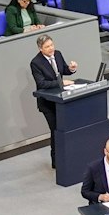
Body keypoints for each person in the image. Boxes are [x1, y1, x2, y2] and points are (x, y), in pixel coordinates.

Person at [29, 34, 80, 166]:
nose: (51, 48)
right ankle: (56, 162)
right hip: (47, 103)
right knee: (56, 130)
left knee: (65, 128)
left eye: (52, 45)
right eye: (47, 47)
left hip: (61, 99)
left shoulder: (57, 54)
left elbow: (63, 70)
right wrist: (61, 83)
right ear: (40, 49)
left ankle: (69, 156)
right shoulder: (36, 63)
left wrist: (71, 69)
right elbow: (42, 84)